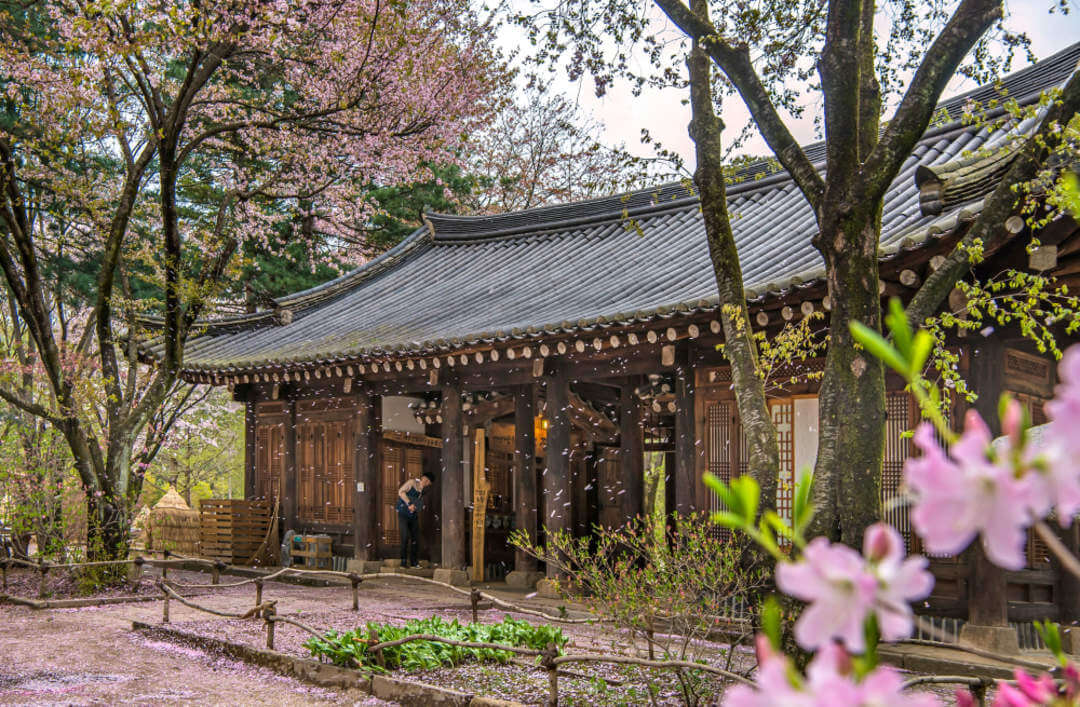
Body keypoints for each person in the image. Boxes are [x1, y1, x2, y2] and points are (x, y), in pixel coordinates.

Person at [396, 471, 435, 567]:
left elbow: (419, 502)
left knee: (415, 539)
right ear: (424, 479)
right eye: (427, 481)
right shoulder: (412, 483)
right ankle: (403, 562)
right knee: (405, 537)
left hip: (413, 515)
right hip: (403, 514)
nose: (427, 484)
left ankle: (414, 562)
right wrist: (409, 503)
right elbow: (401, 492)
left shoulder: (423, 491)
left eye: (429, 483)